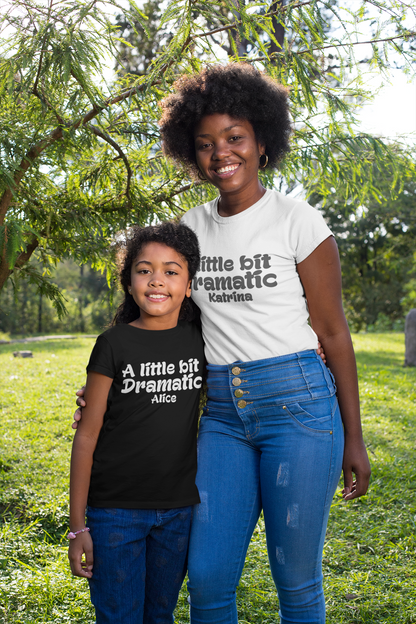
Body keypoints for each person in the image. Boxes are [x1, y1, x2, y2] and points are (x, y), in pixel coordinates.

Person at [75, 63, 371, 624]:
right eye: (206, 143)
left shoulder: (298, 221)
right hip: (222, 417)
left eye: (235, 138)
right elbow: (163, 313)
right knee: (207, 578)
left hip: (300, 405)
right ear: (192, 152)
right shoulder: (192, 227)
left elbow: (333, 333)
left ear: (262, 141)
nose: (221, 153)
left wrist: (353, 437)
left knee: (295, 577)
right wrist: (104, 386)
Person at [68, 222, 204, 624]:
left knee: (160, 615)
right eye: (144, 270)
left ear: (190, 285)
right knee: (119, 617)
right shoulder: (114, 343)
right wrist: (78, 528)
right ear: (129, 283)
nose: (157, 280)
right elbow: (86, 435)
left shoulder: (203, 337)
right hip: (115, 513)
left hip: (178, 511)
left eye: (171, 271)